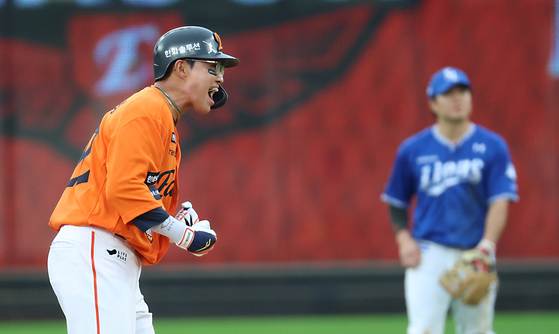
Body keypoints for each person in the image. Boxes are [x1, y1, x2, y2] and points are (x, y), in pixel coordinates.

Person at [47, 26, 239, 334]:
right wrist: (184, 236)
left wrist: (178, 224)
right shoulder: (148, 109)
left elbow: (135, 198)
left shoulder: (161, 118)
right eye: (212, 66)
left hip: (113, 257)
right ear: (180, 68)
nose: (220, 77)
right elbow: (124, 190)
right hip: (95, 249)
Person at [381, 66, 519, 334]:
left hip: (475, 251)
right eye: (448, 94)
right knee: (423, 330)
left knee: (478, 331)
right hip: (429, 253)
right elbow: (396, 200)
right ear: (433, 102)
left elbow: (500, 200)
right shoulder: (413, 149)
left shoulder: (493, 146)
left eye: (463, 91)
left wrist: (487, 247)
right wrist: (404, 240)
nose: (458, 99)